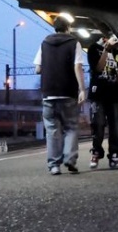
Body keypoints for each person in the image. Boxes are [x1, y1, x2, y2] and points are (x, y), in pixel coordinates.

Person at [33, 16, 86, 175]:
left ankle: (54, 166)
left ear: (55, 27)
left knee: (52, 130)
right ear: (68, 27)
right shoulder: (74, 43)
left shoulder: (44, 43)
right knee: (71, 127)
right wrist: (82, 89)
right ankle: (70, 159)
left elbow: (37, 69)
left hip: (49, 93)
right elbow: (77, 67)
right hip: (67, 92)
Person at [87, 33, 118, 169]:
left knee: (115, 126)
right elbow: (98, 68)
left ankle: (115, 154)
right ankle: (96, 151)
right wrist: (106, 50)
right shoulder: (94, 48)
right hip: (97, 93)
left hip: (115, 94)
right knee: (98, 125)